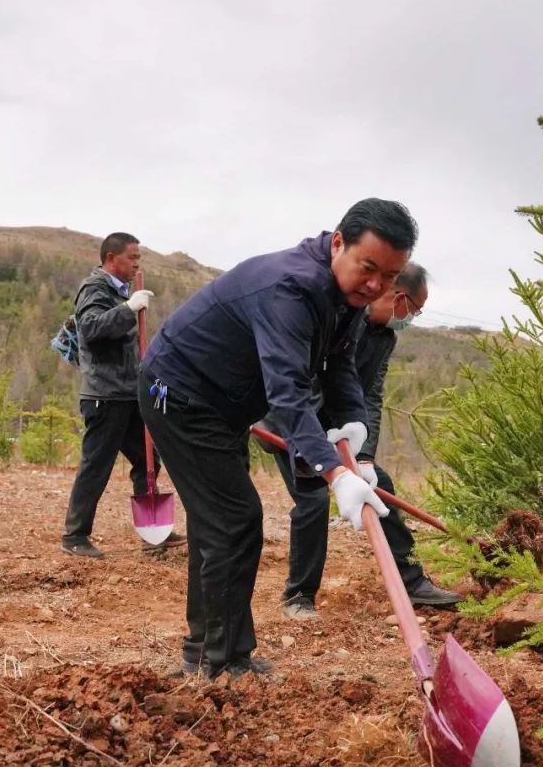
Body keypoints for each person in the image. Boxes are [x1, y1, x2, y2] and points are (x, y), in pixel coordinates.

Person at [139, 198, 417, 679]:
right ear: (337, 244)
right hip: (178, 394)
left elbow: (340, 369)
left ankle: (206, 651)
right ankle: (221, 662)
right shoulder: (290, 289)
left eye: (389, 278)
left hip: (222, 405)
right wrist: (333, 472)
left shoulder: (347, 298)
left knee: (218, 523)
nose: (376, 285)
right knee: (234, 519)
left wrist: (356, 438)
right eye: (368, 268)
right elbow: (287, 393)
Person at [260, 263, 461, 621]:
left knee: (379, 483)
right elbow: (300, 384)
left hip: (338, 431)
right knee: (312, 499)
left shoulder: (385, 338)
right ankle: (299, 596)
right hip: (293, 423)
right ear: (399, 297)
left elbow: (370, 396)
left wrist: (363, 456)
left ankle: (412, 581)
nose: (411, 318)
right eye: (414, 309)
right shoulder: (339, 319)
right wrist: (324, 448)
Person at [62, 232, 185, 559]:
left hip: (128, 393)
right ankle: (75, 536)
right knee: (96, 465)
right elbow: (90, 328)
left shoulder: (119, 293)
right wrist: (128, 309)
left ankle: (152, 533)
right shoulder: (95, 289)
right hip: (105, 395)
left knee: (148, 460)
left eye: (138, 259)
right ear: (112, 258)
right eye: (132, 258)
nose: (136, 264)